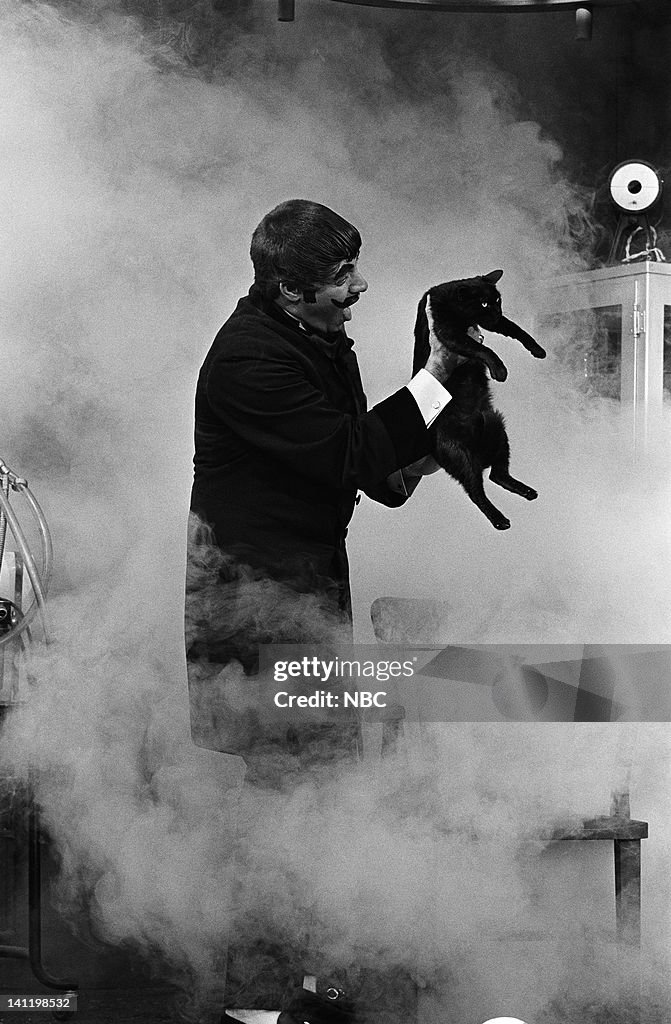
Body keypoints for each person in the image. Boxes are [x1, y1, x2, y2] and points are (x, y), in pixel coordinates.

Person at [185, 199, 461, 1024]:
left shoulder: (316, 339)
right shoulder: (246, 359)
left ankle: (305, 992)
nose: (359, 286)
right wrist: (435, 377)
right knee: (285, 805)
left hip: (304, 596)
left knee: (318, 797)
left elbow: (375, 475)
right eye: (342, 276)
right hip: (254, 615)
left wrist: (440, 437)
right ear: (287, 288)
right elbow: (353, 451)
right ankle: (257, 1006)